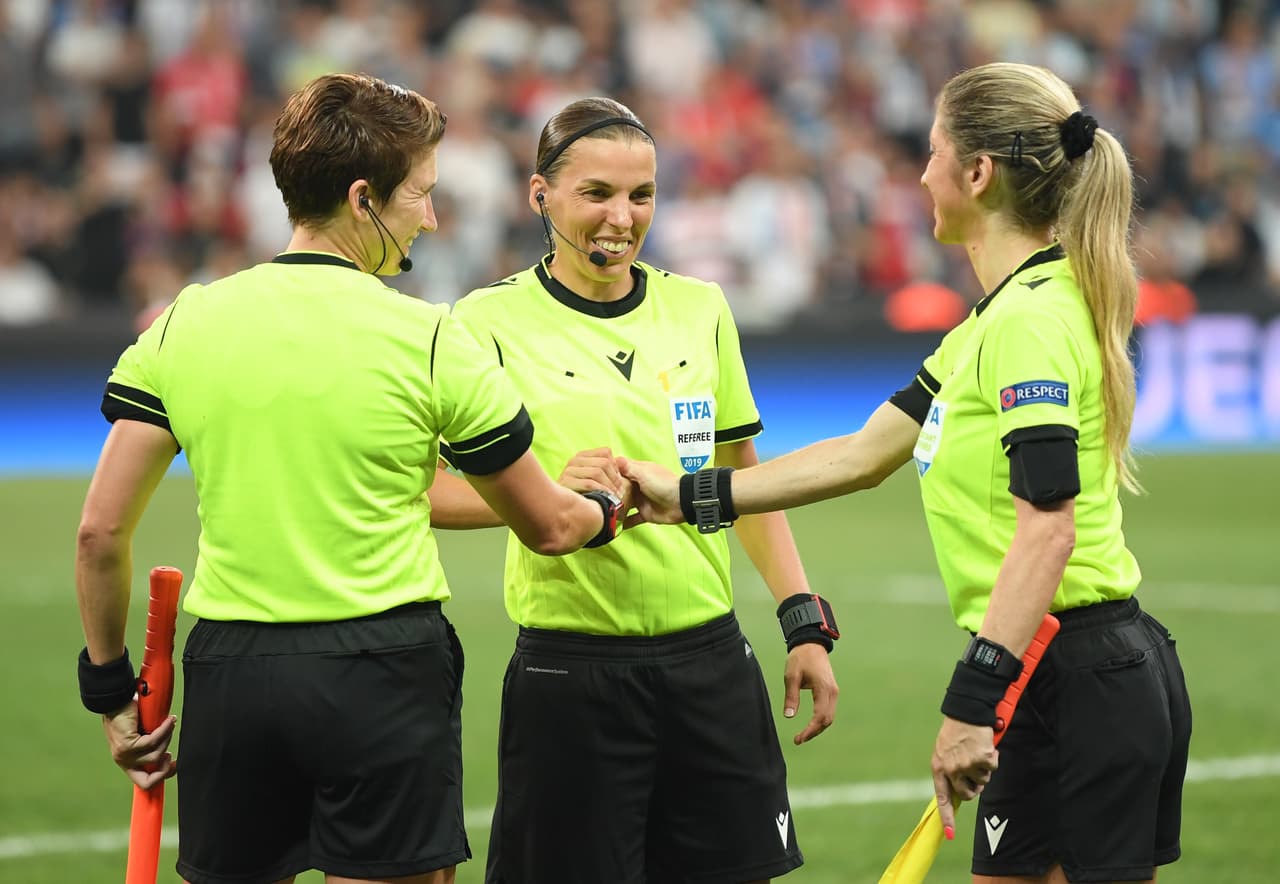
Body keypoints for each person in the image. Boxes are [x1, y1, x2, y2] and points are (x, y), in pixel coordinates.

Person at [622, 63, 1193, 884]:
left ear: (976, 173)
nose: (919, 173)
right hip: (1053, 671)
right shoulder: (994, 322)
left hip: (1077, 678)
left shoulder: (1028, 322)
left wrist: (972, 700)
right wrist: (691, 494)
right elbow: (863, 455)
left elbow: (1051, 527)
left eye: (932, 152)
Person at [74, 72, 621, 884]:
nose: (431, 219)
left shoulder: (187, 321)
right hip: (384, 668)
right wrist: (605, 504)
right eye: (422, 196)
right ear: (364, 199)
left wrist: (111, 692)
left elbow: (99, 533)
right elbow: (548, 526)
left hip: (234, 673)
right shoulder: (428, 336)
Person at [427, 96, 839, 884]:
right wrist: (544, 498)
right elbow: (429, 491)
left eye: (641, 195)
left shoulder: (700, 308)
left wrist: (803, 622)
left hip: (710, 662)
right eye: (596, 194)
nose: (621, 217)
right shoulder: (483, 324)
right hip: (570, 673)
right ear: (539, 194)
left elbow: (742, 480)